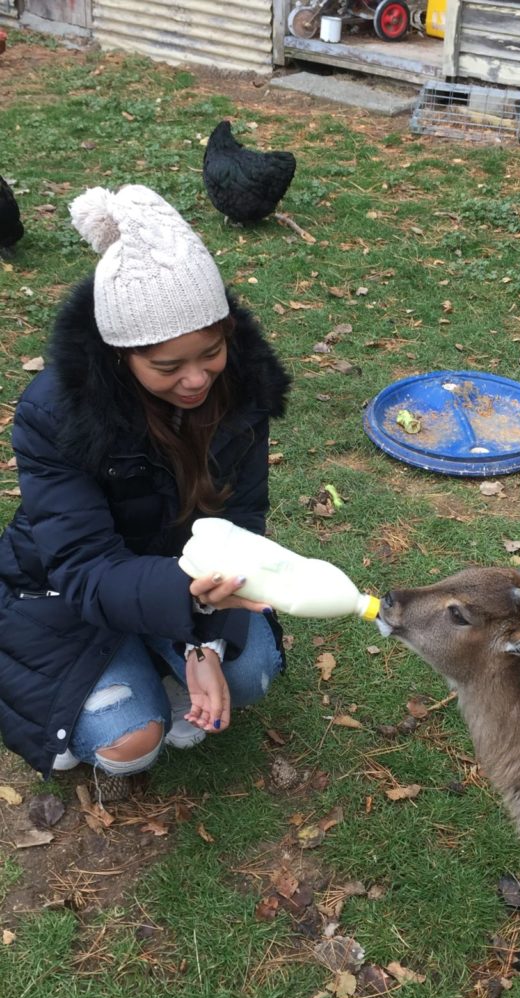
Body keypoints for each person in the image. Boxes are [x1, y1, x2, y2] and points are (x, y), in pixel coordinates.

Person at [0, 184, 291, 796]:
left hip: (181, 585)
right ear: (119, 356)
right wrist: (190, 605)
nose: (195, 380)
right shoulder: (56, 415)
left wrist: (202, 636)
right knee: (128, 740)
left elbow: (243, 517)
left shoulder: (243, 392)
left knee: (252, 674)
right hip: (64, 589)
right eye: (166, 367)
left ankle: (156, 659)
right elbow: (82, 566)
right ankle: (133, 677)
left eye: (210, 354)